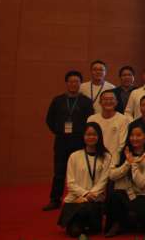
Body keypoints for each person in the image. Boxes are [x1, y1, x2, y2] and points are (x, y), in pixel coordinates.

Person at [44, 70, 95, 211]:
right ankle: (55, 199)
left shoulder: (86, 101)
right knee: (59, 171)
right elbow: (49, 119)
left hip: (80, 141)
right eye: (71, 81)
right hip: (61, 140)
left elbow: (90, 121)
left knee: (80, 171)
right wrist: (58, 131)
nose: (73, 84)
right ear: (66, 83)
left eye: (76, 81)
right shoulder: (58, 100)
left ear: (80, 84)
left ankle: (79, 197)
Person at [57, 122, 111, 237]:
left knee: (89, 223)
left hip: (95, 200)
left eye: (94, 134)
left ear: (99, 136)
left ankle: (81, 223)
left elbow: (103, 181)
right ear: (83, 136)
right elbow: (70, 183)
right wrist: (84, 193)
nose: (91, 137)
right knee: (75, 232)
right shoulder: (74, 156)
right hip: (75, 200)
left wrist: (88, 196)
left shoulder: (106, 157)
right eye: (88, 134)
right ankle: (78, 224)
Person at [104, 124, 145, 237]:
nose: (134, 138)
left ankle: (126, 223)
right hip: (123, 193)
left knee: (141, 212)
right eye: (132, 135)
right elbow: (112, 176)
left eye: (138, 135)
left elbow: (142, 183)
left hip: (142, 194)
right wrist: (127, 163)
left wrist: (134, 165)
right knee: (114, 196)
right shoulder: (120, 154)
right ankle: (120, 223)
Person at [87, 88, 129, 165]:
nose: (108, 101)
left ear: (116, 102)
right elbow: (89, 140)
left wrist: (111, 160)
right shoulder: (92, 119)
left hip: (114, 161)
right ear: (100, 102)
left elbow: (122, 144)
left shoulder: (123, 119)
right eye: (105, 99)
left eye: (111, 99)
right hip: (95, 160)